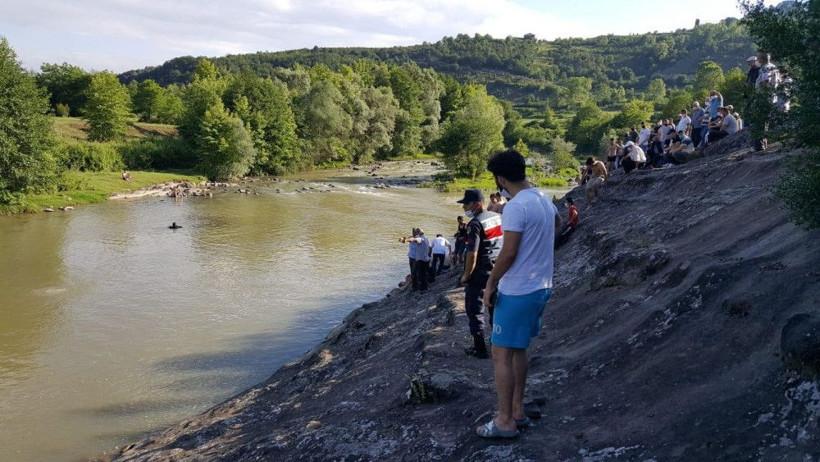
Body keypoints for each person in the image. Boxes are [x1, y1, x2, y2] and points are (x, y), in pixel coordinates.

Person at [476, 149, 558, 439]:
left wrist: (490, 284)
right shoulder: (542, 199)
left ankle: (504, 421)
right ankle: (517, 411)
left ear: (500, 178)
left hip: (518, 289)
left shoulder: (514, 207)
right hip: (540, 285)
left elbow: (508, 253)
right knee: (519, 348)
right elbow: (557, 229)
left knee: (500, 353)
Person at [457, 189, 503, 359]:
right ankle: (496, 343)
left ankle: (480, 349)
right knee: (494, 307)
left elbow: (472, 254)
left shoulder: (475, 224)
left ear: (477, 204)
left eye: (466, 204)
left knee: (475, 310)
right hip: (497, 269)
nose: (463, 208)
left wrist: (466, 275)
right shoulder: (497, 217)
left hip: (480, 272)